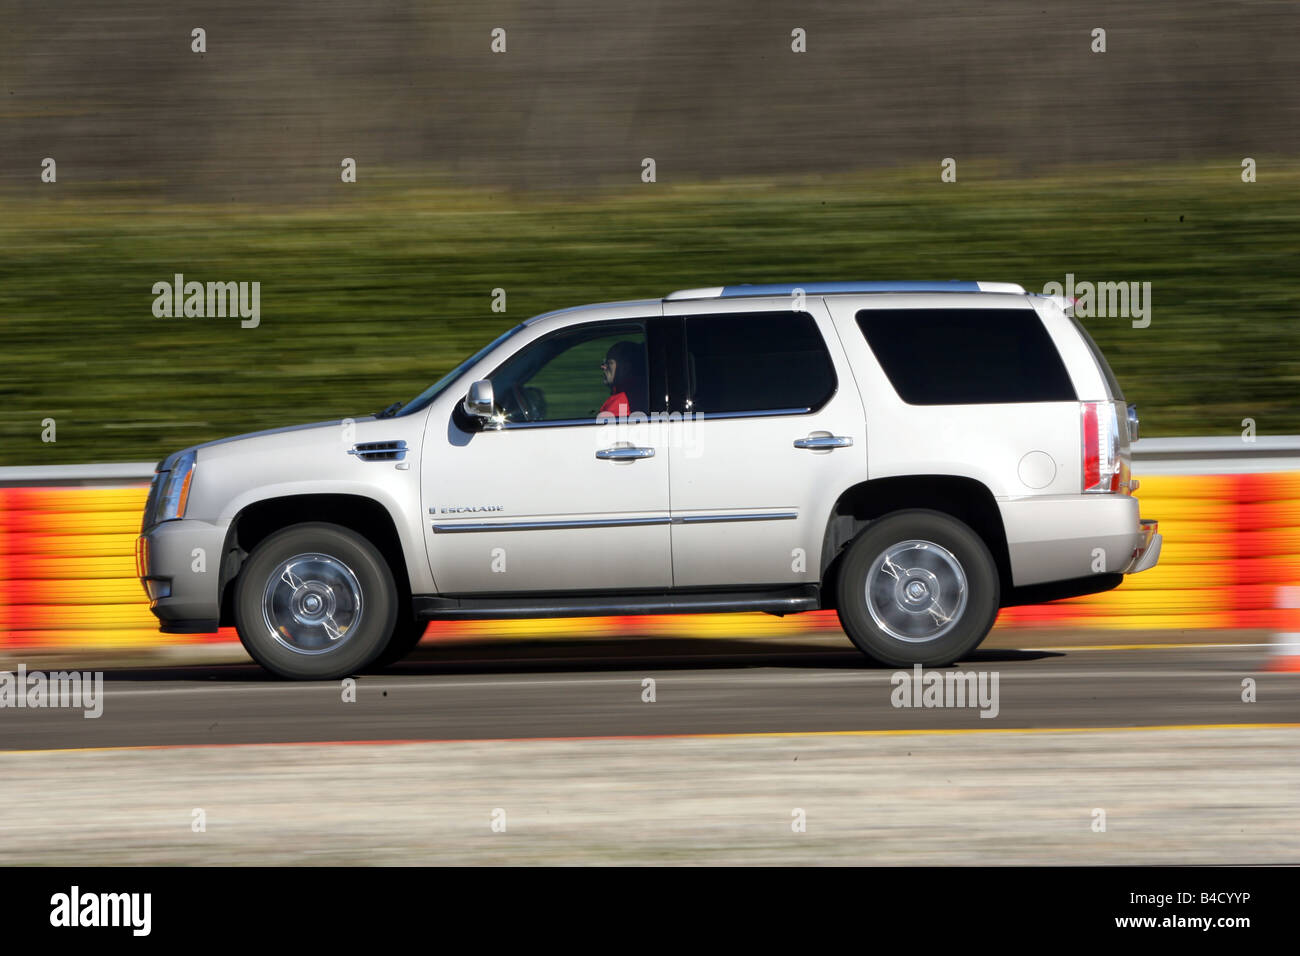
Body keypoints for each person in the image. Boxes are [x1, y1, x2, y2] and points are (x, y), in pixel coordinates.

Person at [598, 340, 645, 419]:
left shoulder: (620, 404)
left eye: (609, 363)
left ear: (624, 367)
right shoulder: (634, 396)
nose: (603, 367)